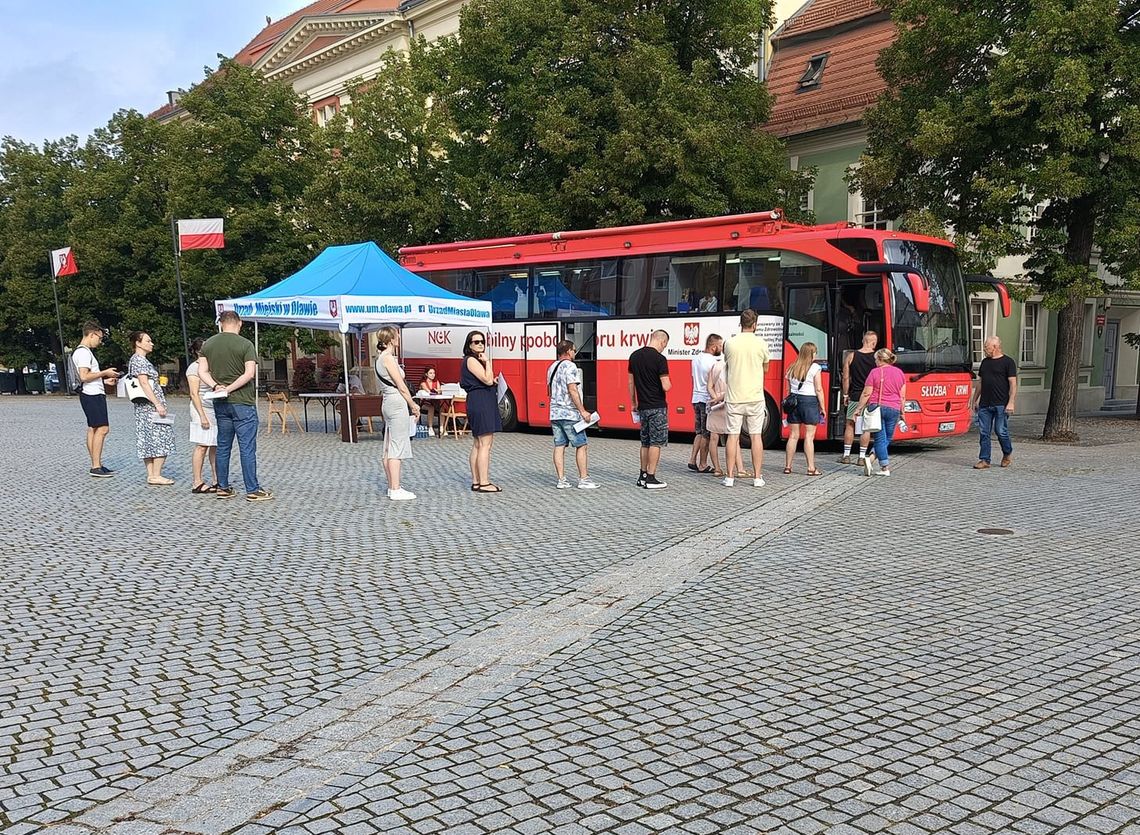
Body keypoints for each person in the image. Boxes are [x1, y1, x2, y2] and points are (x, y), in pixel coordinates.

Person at [198, 311, 272, 502]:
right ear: (239, 323)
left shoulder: (208, 345)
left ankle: (222, 487)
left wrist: (217, 387)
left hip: (220, 403)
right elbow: (249, 374)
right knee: (247, 447)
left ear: (220, 323)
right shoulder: (246, 344)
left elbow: (201, 371)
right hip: (242, 401)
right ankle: (252, 489)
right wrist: (229, 388)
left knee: (223, 445)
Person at [722, 309, 769, 488]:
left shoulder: (730, 343)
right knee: (756, 436)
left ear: (740, 323)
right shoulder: (761, 343)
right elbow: (766, 368)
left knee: (732, 437)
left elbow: (727, 363)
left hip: (734, 397)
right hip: (755, 397)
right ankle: (757, 477)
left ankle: (729, 477)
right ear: (755, 324)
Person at [374, 327, 421, 500]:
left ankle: (391, 486)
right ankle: (395, 488)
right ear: (392, 339)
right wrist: (413, 404)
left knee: (388, 445)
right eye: (397, 335)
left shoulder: (380, 358)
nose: (399, 337)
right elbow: (401, 385)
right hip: (396, 402)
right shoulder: (388, 359)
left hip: (387, 401)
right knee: (396, 447)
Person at [126, 331, 175, 486]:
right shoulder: (139, 360)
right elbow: (144, 383)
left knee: (147, 439)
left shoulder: (137, 360)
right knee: (162, 437)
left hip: (143, 408)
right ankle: (156, 474)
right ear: (138, 343)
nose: (151, 343)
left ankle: (152, 474)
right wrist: (157, 403)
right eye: (148, 341)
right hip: (149, 406)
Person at [547, 339, 598, 489]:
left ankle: (561, 480)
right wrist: (582, 410)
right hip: (570, 413)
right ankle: (584, 479)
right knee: (581, 445)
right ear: (568, 351)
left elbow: (550, 391)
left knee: (559, 445)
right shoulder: (570, 366)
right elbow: (572, 390)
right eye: (574, 350)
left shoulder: (552, 367)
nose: (575, 353)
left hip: (555, 413)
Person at [72, 321, 118, 477]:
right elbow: (84, 376)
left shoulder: (82, 352)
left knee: (93, 428)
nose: (100, 341)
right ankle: (95, 466)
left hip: (90, 393)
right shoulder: (84, 353)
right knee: (103, 429)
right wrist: (105, 373)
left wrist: (103, 381)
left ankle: (96, 463)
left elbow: (86, 377)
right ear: (92, 334)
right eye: (99, 338)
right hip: (92, 395)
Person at [627, 329, 671, 489]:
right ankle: (651, 478)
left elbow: (631, 383)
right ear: (662, 341)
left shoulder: (634, 356)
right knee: (656, 442)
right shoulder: (660, 359)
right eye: (664, 345)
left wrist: (633, 403)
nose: (664, 348)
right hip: (657, 406)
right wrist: (669, 384)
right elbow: (666, 386)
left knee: (645, 442)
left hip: (642, 406)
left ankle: (642, 475)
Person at [854, 348, 907, 477]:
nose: (875, 362)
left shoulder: (875, 372)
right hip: (894, 408)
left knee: (880, 438)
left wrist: (858, 409)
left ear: (880, 359)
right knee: (887, 438)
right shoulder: (900, 373)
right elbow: (902, 396)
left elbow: (867, 393)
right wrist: (902, 413)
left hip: (877, 407)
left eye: (876, 359)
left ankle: (884, 467)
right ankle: (871, 459)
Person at [462, 330, 502, 492]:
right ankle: (484, 482)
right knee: (485, 444)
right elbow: (485, 379)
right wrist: (488, 362)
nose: (480, 344)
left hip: (478, 400)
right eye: (476, 342)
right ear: (469, 345)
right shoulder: (472, 360)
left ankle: (477, 481)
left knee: (478, 444)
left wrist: (492, 381)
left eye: (482, 342)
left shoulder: (471, 361)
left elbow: (485, 380)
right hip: (481, 402)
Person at [969, 336, 1017, 469]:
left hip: (1001, 403)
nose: (984, 349)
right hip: (985, 403)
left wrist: (1011, 402)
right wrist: (974, 400)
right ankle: (985, 459)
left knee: (1001, 431)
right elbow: (980, 382)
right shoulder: (985, 363)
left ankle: (1007, 453)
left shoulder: (1008, 362)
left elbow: (1013, 383)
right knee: (984, 432)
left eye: (987, 347)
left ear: (995, 347)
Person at [783, 342, 826, 475]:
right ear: (811, 354)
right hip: (809, 402)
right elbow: (818, 389)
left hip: (794, 402)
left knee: (793, 436)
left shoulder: (791, 368)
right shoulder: (815, 368)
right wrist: (822, 407)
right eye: (815, 352)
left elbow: (788, 390)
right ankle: (811, 468)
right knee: (809, 436)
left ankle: (788, 466)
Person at [840, 330, 879, 465]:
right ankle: (862, 457)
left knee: (850, 425)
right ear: (874, 342)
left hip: (855, 395)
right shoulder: (877, 358)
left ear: (863, 341)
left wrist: (845, 394)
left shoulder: (851, 356)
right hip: (870, 397)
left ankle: (846, 455)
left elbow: (846, 378)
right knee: (866, 427)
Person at [186, 338, 219, 494]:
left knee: (215, 445)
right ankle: (197, 482)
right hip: (201, 409)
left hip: (214, 408)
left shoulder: (211, 366)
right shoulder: (194, 368)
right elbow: (194, 393)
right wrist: (202, 416)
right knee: (202, 445)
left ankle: (217, 479)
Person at [705, 350, 745, 478]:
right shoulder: (735, 368)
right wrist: (721, 397)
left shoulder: (715, 366)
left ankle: (717, 468)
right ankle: (739, 469)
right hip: (730, 405)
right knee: (734, 439)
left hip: (715, 406)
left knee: (713, 438)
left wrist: (715, 397)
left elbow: (709, 386)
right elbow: (736, 388)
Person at [687, 333, 722, 473]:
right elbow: (713, 383)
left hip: (695, 398)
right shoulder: (713, 362)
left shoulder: (695, 359)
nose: (721, 348)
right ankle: (702, 464)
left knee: (699, 432)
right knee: (706, 434)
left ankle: (692, 460)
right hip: (706, 399)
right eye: (719, 345)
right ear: (713, 347)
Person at [418, 366, 443, 435]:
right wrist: (436, 391)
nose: (433, 375)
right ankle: (430, 428)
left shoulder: (436, 381)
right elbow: (428, 391)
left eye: (434, 373)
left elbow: (439, 390)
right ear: (426, 374)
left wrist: (438, 391)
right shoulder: (423, 383)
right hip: (425, 403)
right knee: (431, 407)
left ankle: (442, 428)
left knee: (442, 409)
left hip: (435, 402)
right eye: (430, 373)